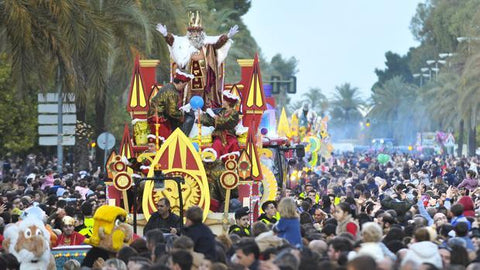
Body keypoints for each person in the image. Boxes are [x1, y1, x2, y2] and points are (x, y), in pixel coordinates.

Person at [156, 11, 239, 108]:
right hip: (189, 82)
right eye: (193, 32)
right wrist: (166, 35)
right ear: (189, 33)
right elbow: (173, 42)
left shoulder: (207, 43)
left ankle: (206, 118)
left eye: (197, 32)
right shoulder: (183, 43)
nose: (195, 34)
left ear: (201, 33)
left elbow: (218, 44)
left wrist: (227, 36)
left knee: (205, 102)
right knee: (186, 101)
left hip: (204, 80)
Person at [147, 69, 194, 138]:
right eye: (184, 85)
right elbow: (172, 111)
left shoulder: (168, 86)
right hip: (159, 120)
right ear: (180, 83)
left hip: (156, 117)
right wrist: (182, 115)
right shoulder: (172, 92)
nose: (184, 87)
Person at [201, 90, 241, 160]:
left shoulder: (234, 113)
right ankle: (216, 163)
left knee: (233, 143)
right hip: (219, 135)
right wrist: (202, 117)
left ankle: (231, 162)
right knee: (217, 143)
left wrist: (215, 117)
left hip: (229, 135)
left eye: (224, 100)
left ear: (229, 103)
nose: (223, 101)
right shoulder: (222, 111)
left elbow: (227, 122)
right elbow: (212, 120)